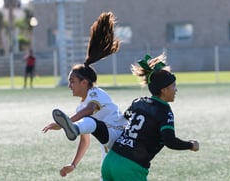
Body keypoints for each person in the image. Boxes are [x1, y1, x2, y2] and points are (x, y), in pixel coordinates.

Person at [42, 12, 128, 178]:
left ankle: (71, 126)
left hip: (119, 135)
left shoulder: (95, 93)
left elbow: (89, 111)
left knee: (88, 121)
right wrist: (73, 164)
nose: (69, 86)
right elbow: (85, 139)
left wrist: (65, 123)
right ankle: (72, 127)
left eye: (72, 81)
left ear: (85, 82)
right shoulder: (80, 107)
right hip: (108, 146)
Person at [101, 53, 200, 181]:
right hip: (130, 168)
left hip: (110, 159)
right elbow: (169, 141)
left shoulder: (138, 102)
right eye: (173, 86)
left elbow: (124, 119)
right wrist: (191, 145)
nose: (176, 90)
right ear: (164, 89)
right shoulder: (163, 111)